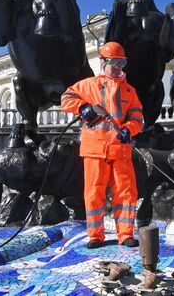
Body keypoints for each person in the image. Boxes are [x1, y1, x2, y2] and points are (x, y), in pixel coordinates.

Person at [61, 42, 144, 249]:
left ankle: (125, 234)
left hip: (120, 149)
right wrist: (83, 107)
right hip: (94, 150)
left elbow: (138, 117)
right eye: (113, 62)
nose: (117, 67)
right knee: (93, 192)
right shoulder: (87, 85)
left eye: (121, 62)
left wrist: (129, 129)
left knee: (126, 192)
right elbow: (66, 98)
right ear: (103, 62)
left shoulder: (129, 90)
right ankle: (95, 235)